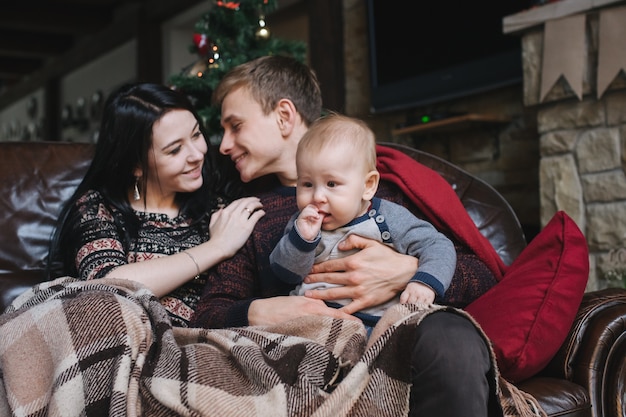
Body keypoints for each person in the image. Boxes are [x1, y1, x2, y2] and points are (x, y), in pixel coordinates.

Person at [192, 55, 503, 416]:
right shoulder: (250, 215)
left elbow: (484, 275)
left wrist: (406, 273)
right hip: (313, 352)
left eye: (236, 126)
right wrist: (260, 310)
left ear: (284, 116)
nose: (224, 145)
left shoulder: (383, 193)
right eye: (308, 185)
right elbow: (208, 315)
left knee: (450, 338)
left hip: (403, 334)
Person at [47, 82, 264, 327]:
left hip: (202, 348)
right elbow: (108, 287)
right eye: (175, 150)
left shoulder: (219, 210)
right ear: (136, 165)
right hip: (126, 341)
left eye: (196, 135)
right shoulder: (98, 209)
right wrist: (217, 247)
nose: (197, 154)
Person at [269, 113, 457, 330]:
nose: (317, 197)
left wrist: (424, 282)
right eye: (307, 184)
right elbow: (286, 274)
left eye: (331, 183)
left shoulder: (388, 218)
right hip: (314, 323)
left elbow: (438, 245)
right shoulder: (302, 224)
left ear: (368, 185)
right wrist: (301, 240)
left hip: (381, 323)